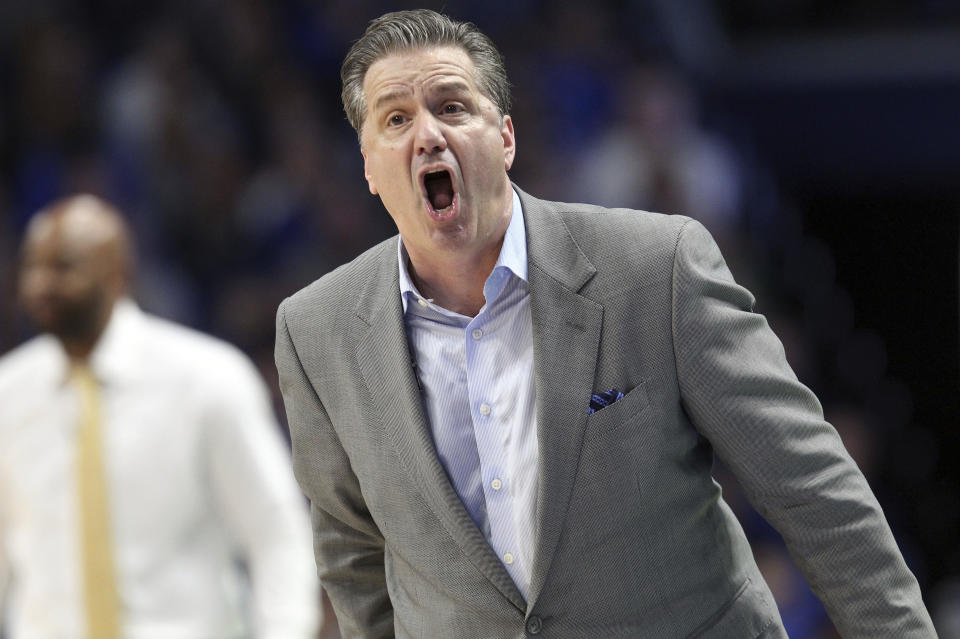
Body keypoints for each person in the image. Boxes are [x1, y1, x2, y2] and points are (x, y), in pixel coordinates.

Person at [274, 9, 936, 639]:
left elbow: (814, 489)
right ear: (367, 166)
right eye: (395, 119)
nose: (428, 135)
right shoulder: (315, 332)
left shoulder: (659, 268)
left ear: (505, 136)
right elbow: (354, 562)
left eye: (452, 107)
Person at [0, 195, 320, 638]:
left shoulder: (205, 379)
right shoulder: (9, 394)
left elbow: (276, 535)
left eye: (63, 268)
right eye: (32, 268)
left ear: (117, 274)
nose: (40, 286)